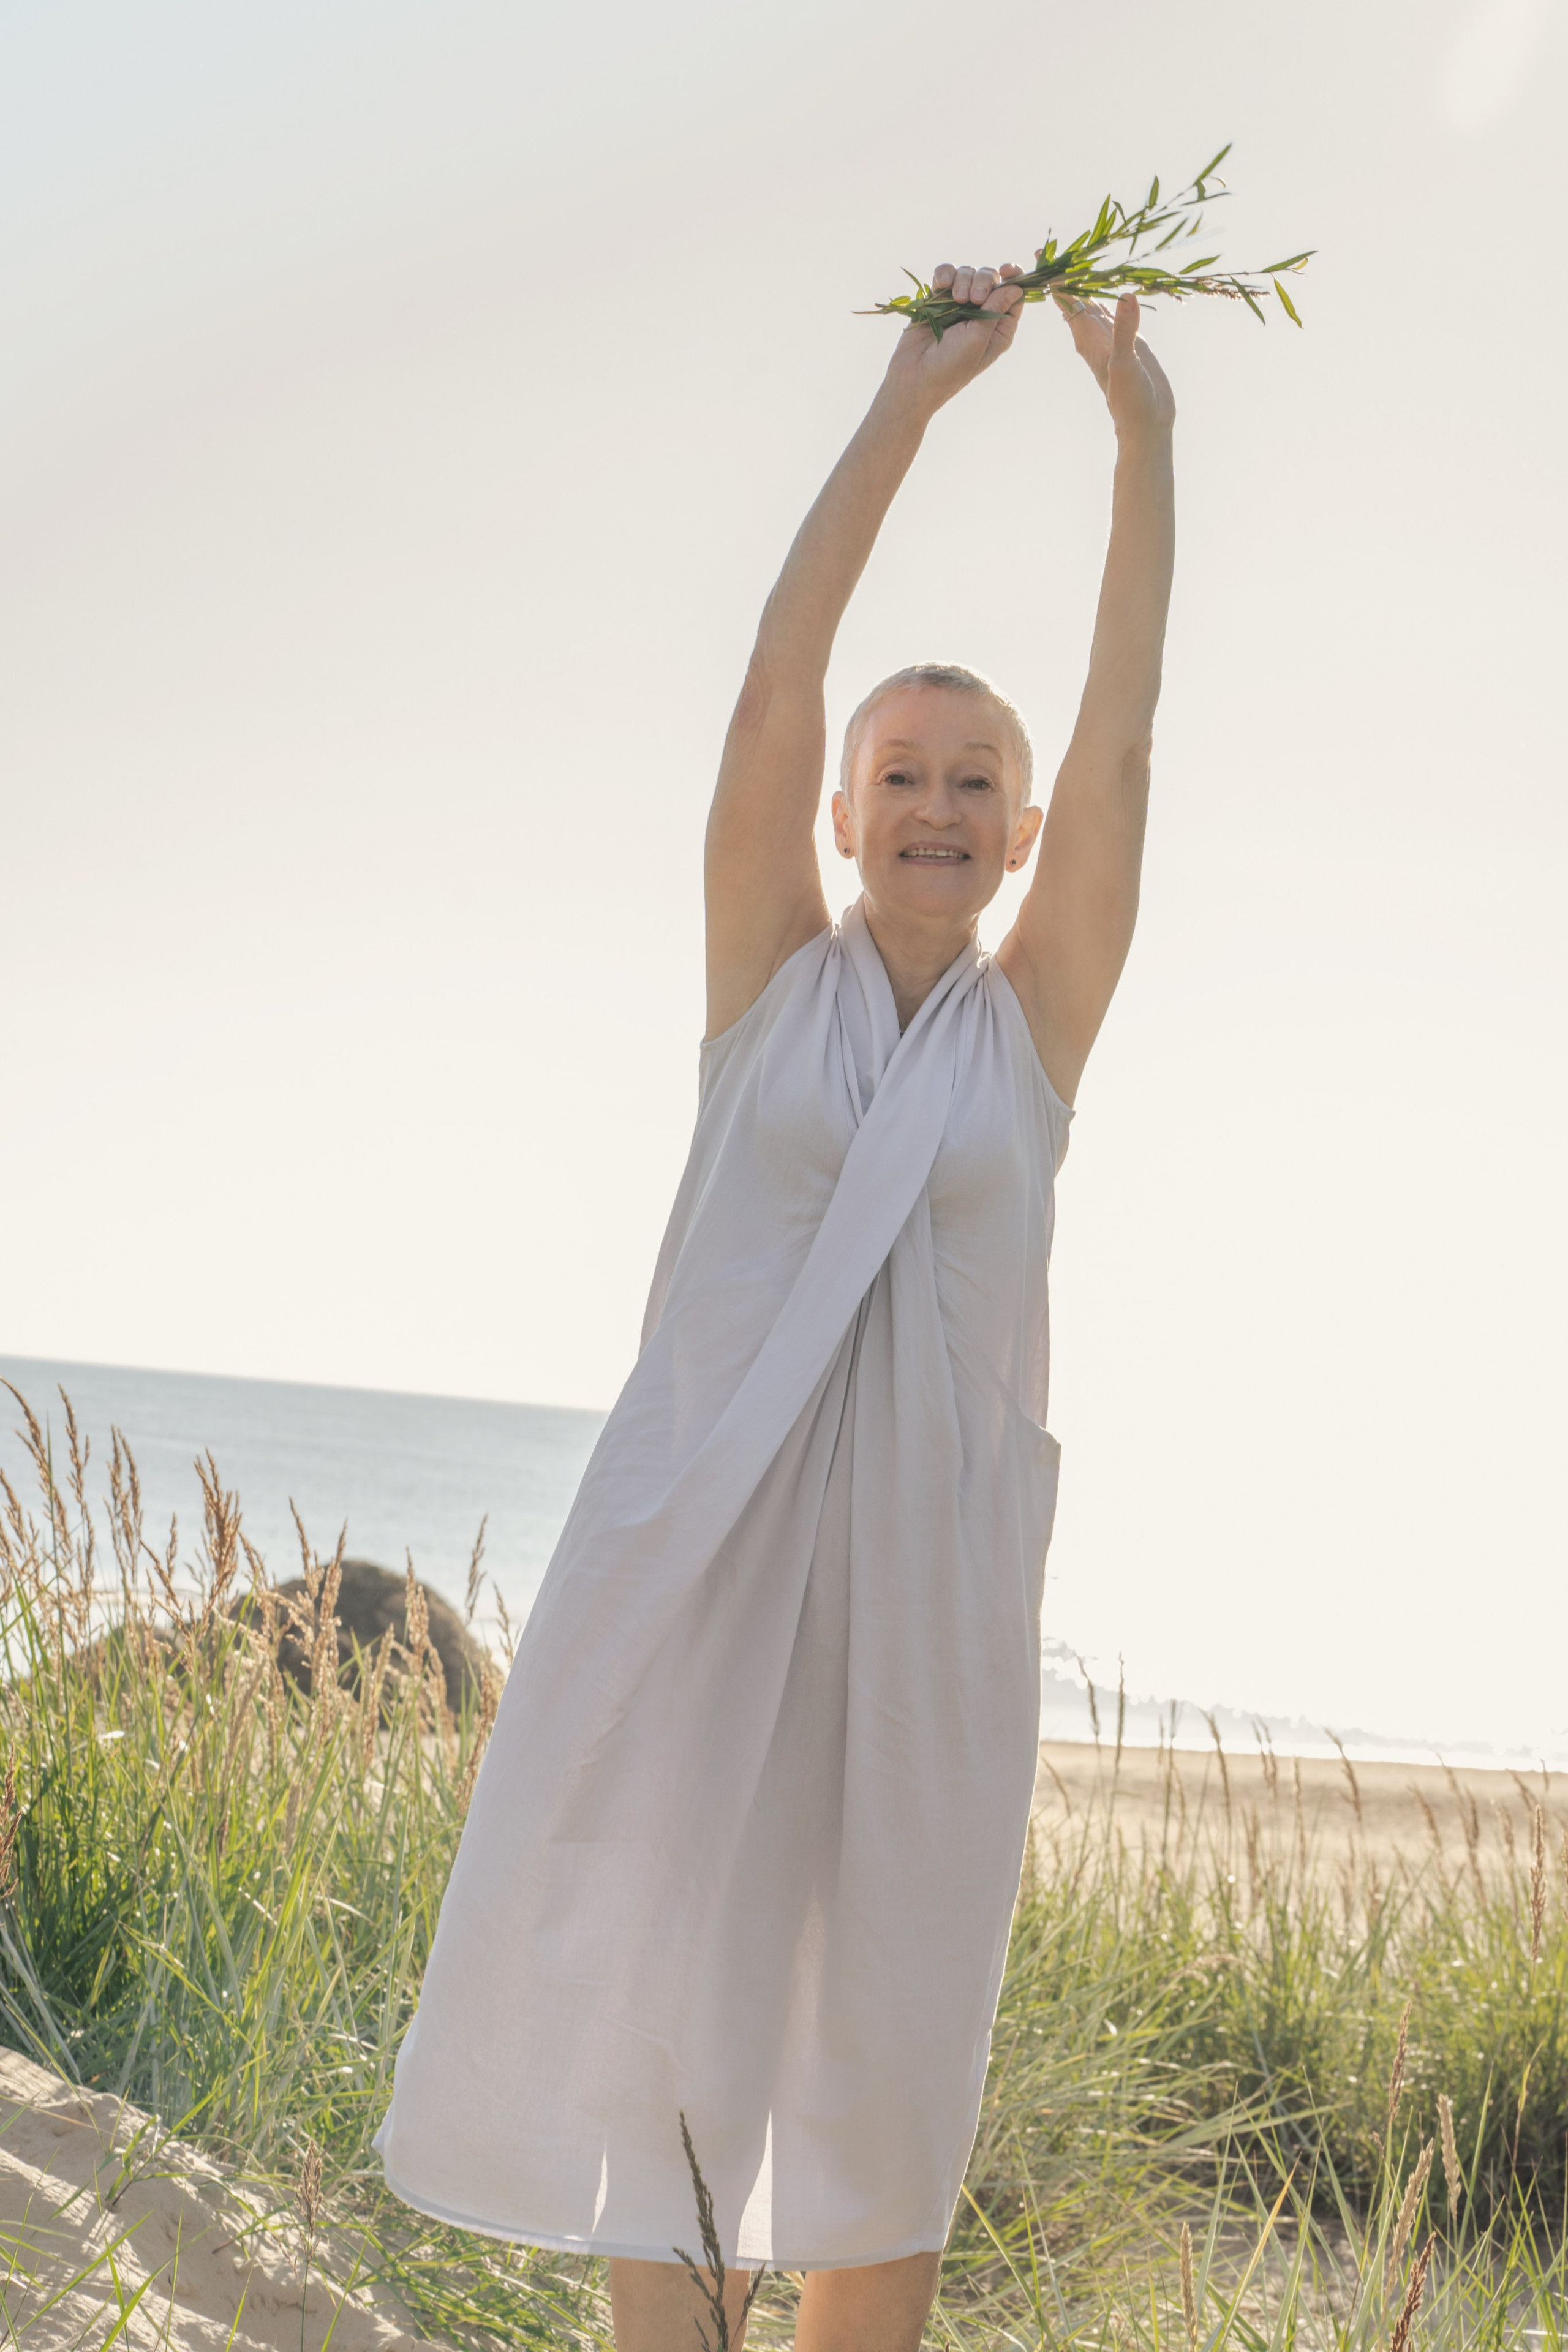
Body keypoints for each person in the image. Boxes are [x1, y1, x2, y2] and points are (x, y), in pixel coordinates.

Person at [375, 260, 1175, 2352]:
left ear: (1010, 843)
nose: (938, 803)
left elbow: (1128, 737)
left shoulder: (1037, 1037)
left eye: (972, 782)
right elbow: (769, 671)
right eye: (899, 771)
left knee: (896, 2041)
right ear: (841, 812)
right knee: (688, 2016)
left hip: (933, 1593)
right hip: (711, 1560)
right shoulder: (768, 992)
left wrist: (1140, 442)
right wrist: (913, 406)